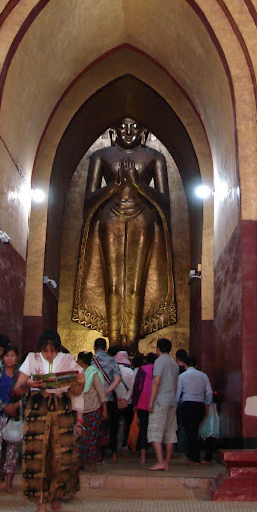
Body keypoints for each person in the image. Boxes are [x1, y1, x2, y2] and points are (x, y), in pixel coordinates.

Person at [73, 117, 176, 352]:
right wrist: (114, 186)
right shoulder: (100, 157)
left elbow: (166, 202)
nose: (128, 132)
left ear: (144, 132)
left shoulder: (155, 157)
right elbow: (88, 201)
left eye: (134, 127)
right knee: (112, 282)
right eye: (122, 127)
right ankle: (114, 341)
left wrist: (139, 185)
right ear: (112, 131)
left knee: (137, 284)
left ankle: (132, 343)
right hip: (110, 218)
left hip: (143, 219)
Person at [14, 329, 84, 512]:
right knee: (36, 455)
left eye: (53, 351)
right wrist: (29, 384)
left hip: (61, 409)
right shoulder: (32, 359)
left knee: (61, 456)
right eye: (46, 351)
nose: (49, 355)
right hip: (38, 408)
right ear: (40, 349)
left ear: (58, 349)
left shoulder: (68, 360)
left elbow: (76, 391)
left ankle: (55, 495)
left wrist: (80, 381)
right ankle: (41, 501)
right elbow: (18, 388)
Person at [0, 344, 21, 492]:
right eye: (7, 356)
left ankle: (9, 483)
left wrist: (16, 406)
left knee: (12, 450)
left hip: (15, 417)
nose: (9, 359)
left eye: (12, 356)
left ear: (17, 358)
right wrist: (3, 406)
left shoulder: (21, 374)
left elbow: (27, 393)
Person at [147, 338, 179, 471]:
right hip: (172, 400)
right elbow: (176, 385)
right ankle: (167, 462)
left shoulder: (159, 361)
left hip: (161, 400)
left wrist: (151, 401)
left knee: (155, 431)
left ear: (158, 348)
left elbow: (157, 381)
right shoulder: (174, 364)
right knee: (170, 432)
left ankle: (160, 461)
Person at [176, 355, 213, 464]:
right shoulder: (204, 376)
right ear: (196, 365)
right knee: (195, 430)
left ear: (185, 365)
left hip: (187, 404)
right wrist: (207, 403)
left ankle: (194, 457)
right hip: (200, 405)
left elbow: (178, 394)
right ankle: (193, 455)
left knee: (190, 431)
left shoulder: (182, 376)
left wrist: (176, 405)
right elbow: (209, 392)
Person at [77, 351, 108, 470]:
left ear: (80, 362)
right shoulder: (79, 374)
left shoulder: (93, 374)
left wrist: (104, 410)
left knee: (91, 438)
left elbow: (101, 393)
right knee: (81, 438)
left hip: (93, 410)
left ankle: (91, 463)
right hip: (81, 411)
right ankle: (82, 461)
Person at [92, 337, 121, 462]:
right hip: (108, 398)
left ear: (94, 348)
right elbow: (117, 379)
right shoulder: (112, 361)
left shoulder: (91, 361)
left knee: (96, 426)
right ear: (106, 348)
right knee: (110, 426)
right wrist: (107, 391)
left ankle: (98, 453)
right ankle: (113, 452)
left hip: (93, 399)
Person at [131, 352, 157, 464]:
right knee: (155, 427)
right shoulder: (158, 370)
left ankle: (142, 455)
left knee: (143, 428)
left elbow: (137, 387)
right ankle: (154, 451)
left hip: (142, 401)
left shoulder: (142, 370)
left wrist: (135, 403)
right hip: (155, 401)